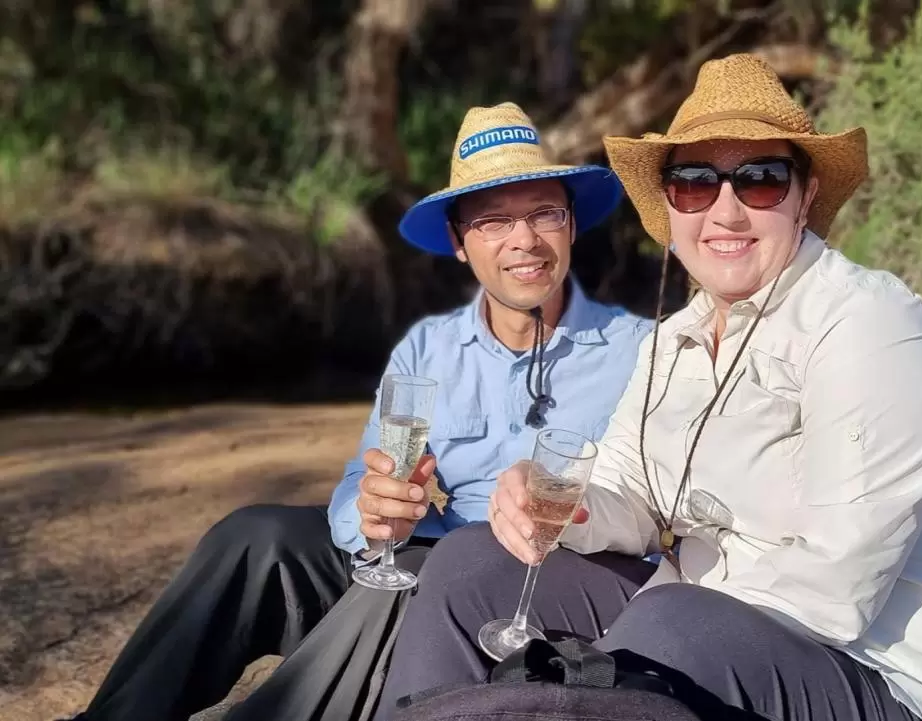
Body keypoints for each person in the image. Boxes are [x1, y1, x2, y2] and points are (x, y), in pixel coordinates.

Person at [373, 54, 922, 721]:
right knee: (473, 562)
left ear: (806, 195)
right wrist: (555, 503)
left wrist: (626, 633)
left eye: (761, 179)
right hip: (696, 624)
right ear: (670, 202)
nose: (726, 210)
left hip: (883, 680)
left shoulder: (871, 324)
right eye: (696, 182)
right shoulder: (675, 338)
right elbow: (629, 492)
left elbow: (836, 590)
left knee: (670, 627)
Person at [64, 102, 650, 721]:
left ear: (572, 225)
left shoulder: (641, 351)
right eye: (492, 222)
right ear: (458, 244)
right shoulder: (428, 346)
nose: (524, 240)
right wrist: (371, 515)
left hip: (529, 594)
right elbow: (359, 482)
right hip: (424, 558)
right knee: (257, 536)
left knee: (420, 578)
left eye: (544, 214)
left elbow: (650, 515)